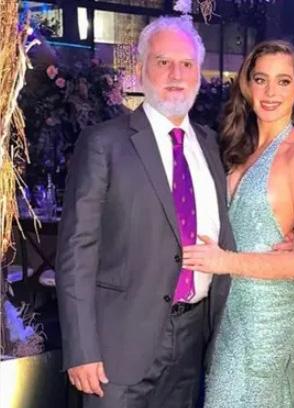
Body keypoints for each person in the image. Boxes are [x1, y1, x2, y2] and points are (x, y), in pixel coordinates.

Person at [56, 16, 235, 408]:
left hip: (193, 341)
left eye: (186, 64)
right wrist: (81, 348)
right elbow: (76, 251)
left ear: (198, 73)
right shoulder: (104, 143)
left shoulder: (211, 146)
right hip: (117, 347)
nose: (176, 74)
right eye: (163, 62)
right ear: (140, 69)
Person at [181, 40, 294, 408]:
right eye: (261, 79)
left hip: (267, 317)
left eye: (283, 81)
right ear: (247, 86)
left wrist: (225, 262)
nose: (270, 92)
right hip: (227, 309)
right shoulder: (239, 148)